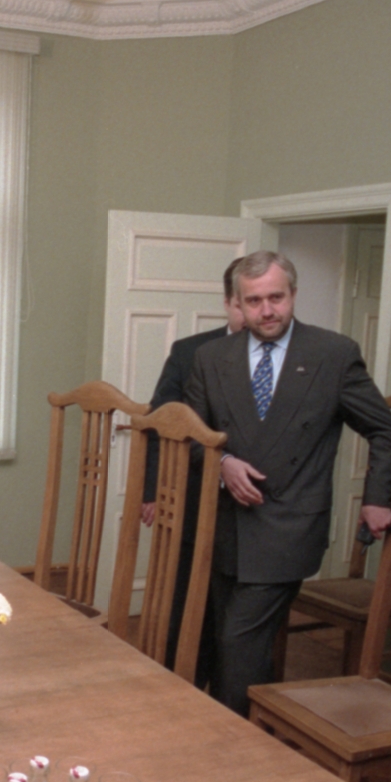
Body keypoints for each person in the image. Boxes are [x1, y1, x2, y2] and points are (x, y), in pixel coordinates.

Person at [185, 250, 391, 714]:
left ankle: (231, 741)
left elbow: (384, 429)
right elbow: (191, 436)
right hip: (226, 526)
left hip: (289, 527)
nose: (267, 310)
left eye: (276, 298)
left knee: (239, 642)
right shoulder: (211, 357)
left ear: (294, 295)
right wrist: (223, 462)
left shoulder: (333, 354)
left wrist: (377, 498)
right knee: (228, 643)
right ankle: (249, 729)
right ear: (238, 303)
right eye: (254, 301)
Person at [138, 258, 245, 676]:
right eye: (244, 303)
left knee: (232, 618)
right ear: (228, 303)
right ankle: (179, 685)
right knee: (183, 607)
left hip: (250, 507)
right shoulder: (190, 352)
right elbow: (158, 422)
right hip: (192, 497)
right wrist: (152, 489)